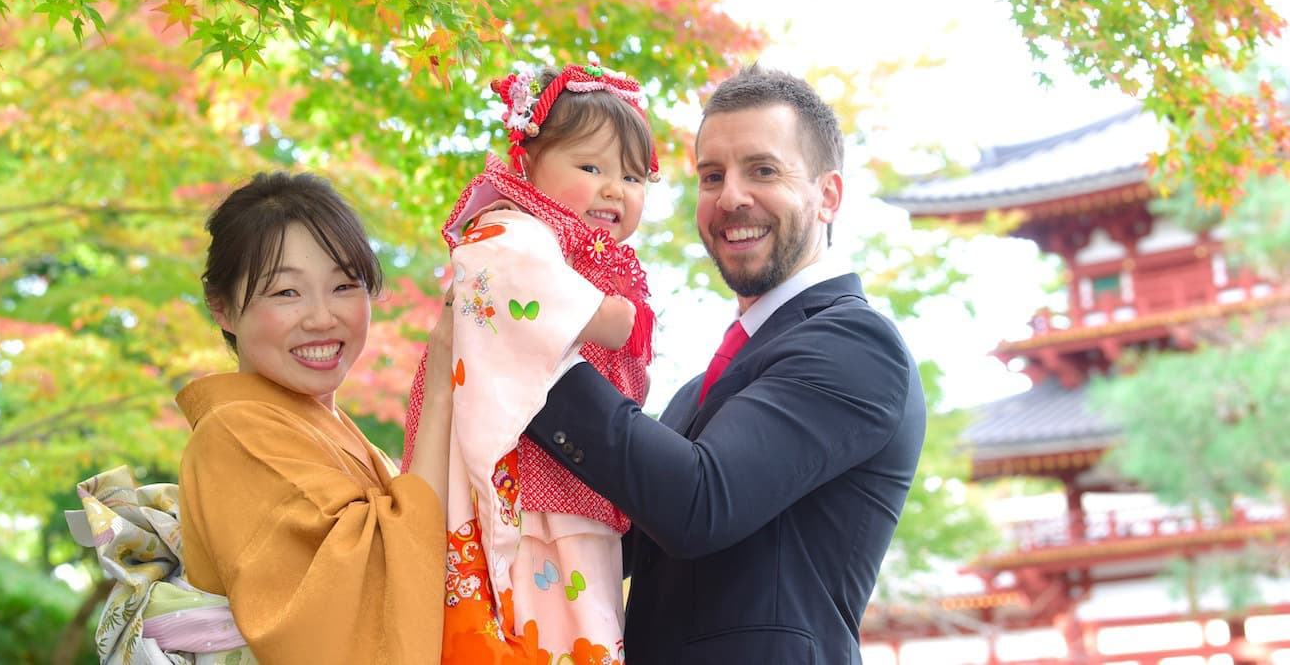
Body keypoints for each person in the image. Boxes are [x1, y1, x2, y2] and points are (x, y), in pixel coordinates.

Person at [435, 64, 928, 663]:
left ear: (828, 195)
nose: (731, 197)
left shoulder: (854, 343)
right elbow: (614, 537)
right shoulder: (699, 392)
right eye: (712, 176)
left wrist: (523, 336)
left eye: (763, 170)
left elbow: (699, 502)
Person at [402, 58, 660, 663]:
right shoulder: (511, 228)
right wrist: (596, 315)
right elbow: (507, 279)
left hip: (574, 485)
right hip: (522, 486)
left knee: (588, 614)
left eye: (632, 176)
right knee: (537, 618)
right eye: (590, 166)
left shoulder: (583, 255)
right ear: (529, 164)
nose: (613, 188)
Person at [175, 171, 455, 665]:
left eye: (345, 285)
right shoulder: (234, 432)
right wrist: (439, 393)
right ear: (222, 309)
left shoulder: (321, 426)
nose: (322, 317)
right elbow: (377, 589)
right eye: (286, 293)